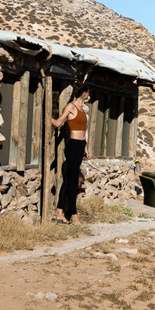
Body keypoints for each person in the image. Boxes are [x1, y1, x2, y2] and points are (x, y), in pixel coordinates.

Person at [51, 86, 91, 224]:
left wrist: (85, 148)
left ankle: (59, 211)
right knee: (73, 181)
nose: (88, 96)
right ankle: (74, 215)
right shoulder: (71, 107)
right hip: (72, 146)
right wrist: (44, 115)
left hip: (80, 146)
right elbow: (57, 123)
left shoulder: (82, 110)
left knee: (68, 181)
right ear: (84, 93)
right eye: (88, 93)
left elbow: (84, 131)